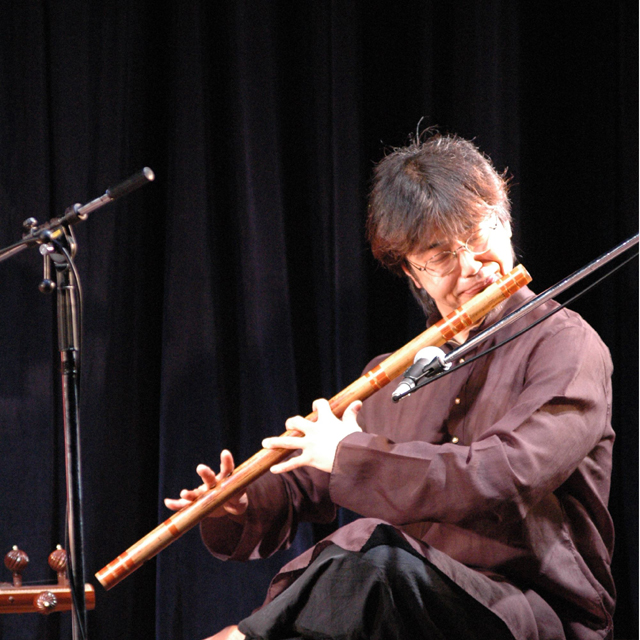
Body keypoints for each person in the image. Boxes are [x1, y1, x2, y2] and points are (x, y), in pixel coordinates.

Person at [166, 133, 615, 640]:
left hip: (527, 611)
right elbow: (303, 482)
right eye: (440, 255)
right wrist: (243, 502)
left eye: (478, 234)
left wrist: (350, 454)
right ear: (412, 272)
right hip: (407, 605)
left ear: (505, 221)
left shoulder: (565, 345)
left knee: (371, 557)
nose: (470, 265)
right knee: (364, 574)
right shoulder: (396, 372)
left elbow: (502, 477)